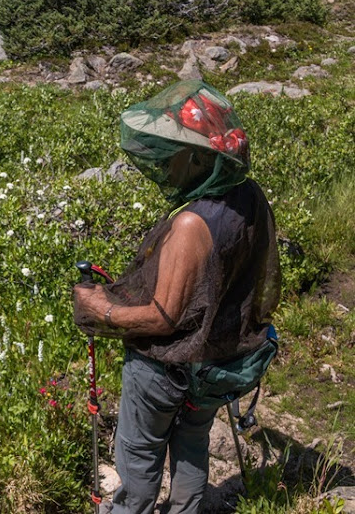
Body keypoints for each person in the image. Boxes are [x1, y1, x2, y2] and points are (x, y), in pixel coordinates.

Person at [72, 80, 281, 514]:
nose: (166, 162)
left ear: (201, 156)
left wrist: (100, 309)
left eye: (175, 151)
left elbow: (163, 318)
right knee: (192, 442)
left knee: (140, 453)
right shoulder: (250, 195)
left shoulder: (190, 225)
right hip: (217, 364)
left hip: (167, 369)